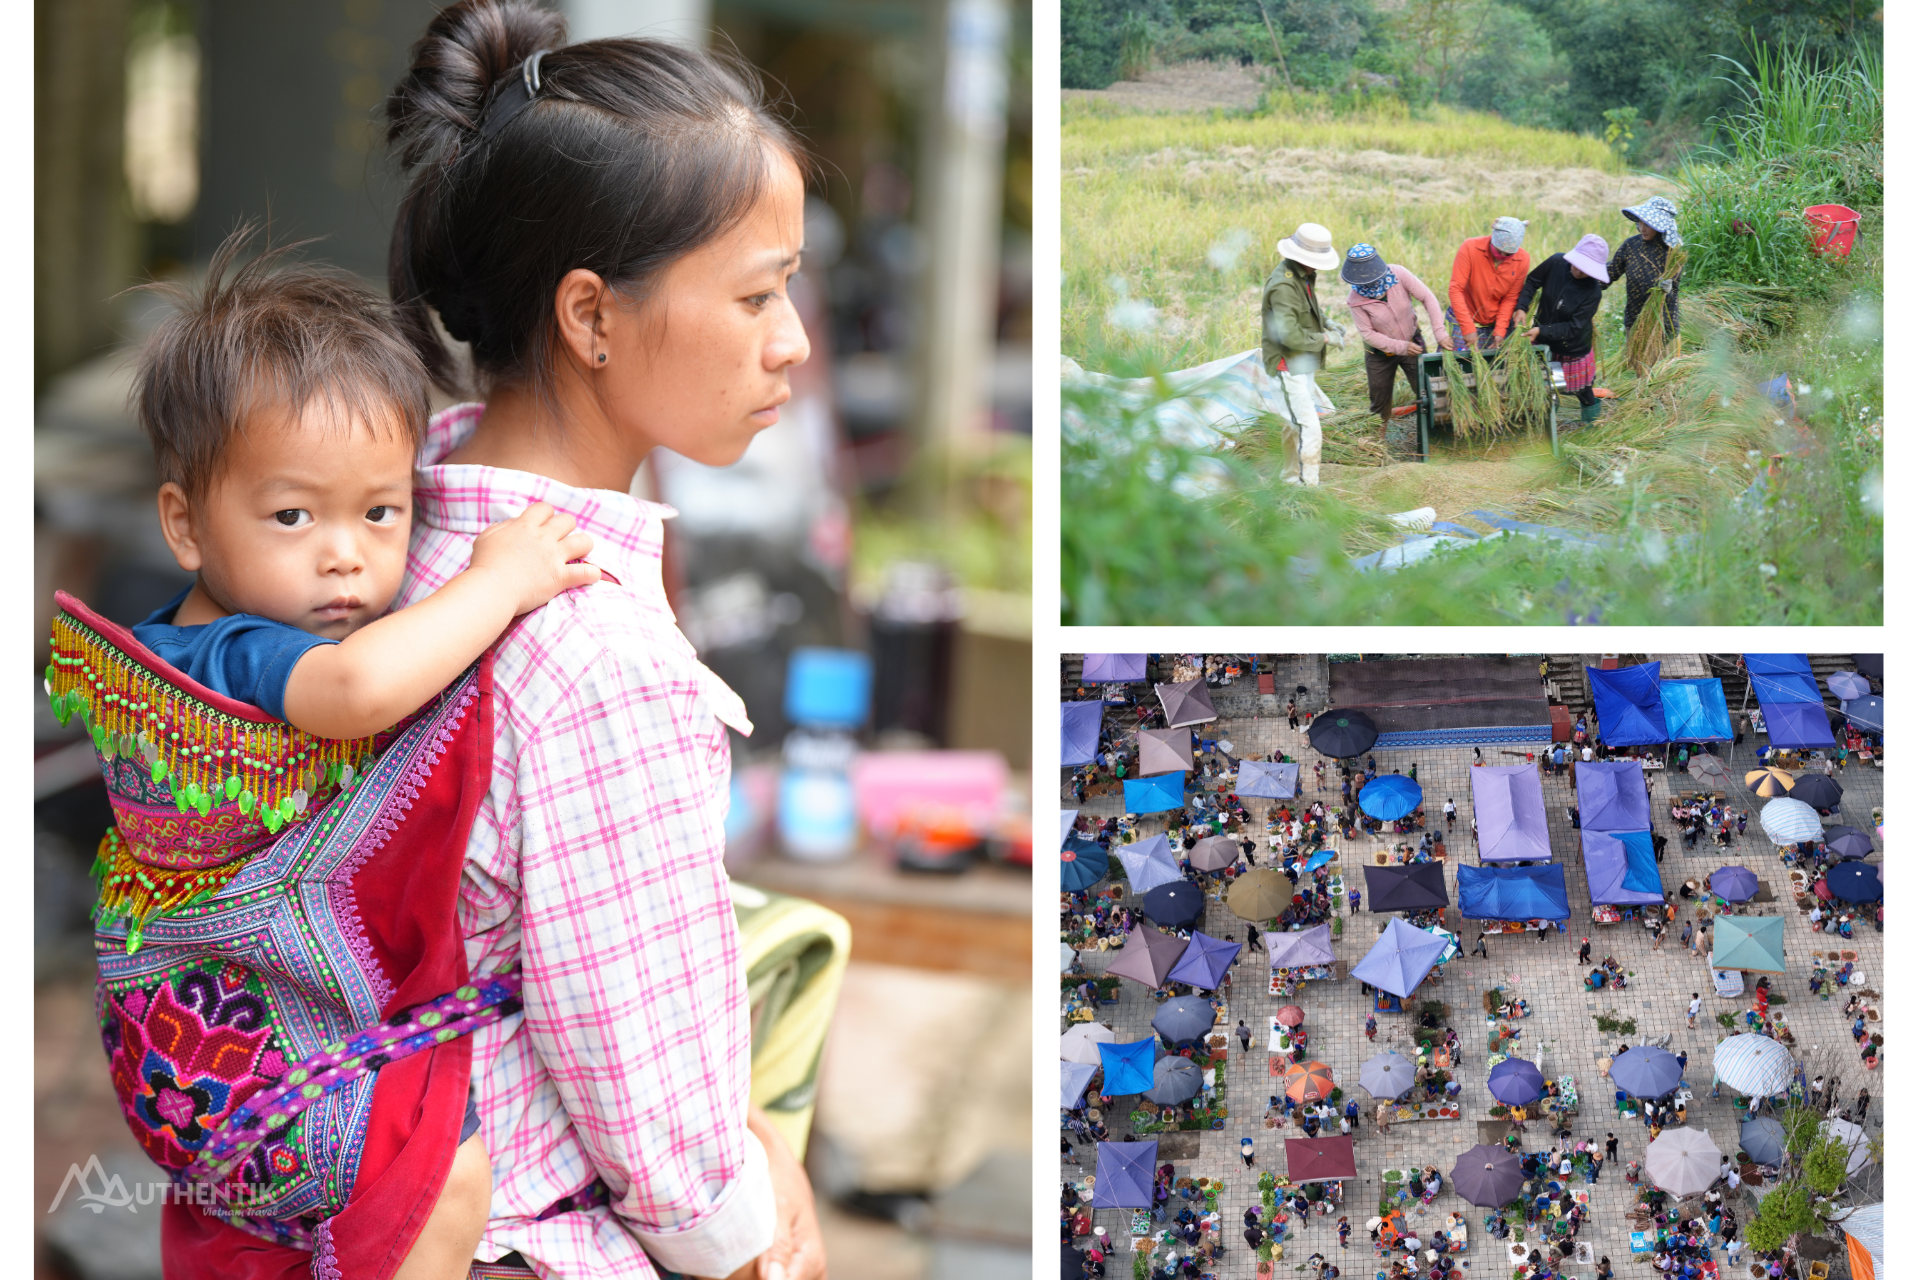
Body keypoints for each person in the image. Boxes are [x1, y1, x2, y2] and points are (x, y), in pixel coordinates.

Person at [338, 10, 833, 1276]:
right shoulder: (601, 658)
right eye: (756, 293)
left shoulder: (405, 519)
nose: (793, 341)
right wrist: (757, 1220)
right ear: (590, 315)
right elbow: (658, 1125)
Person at [80, 226, 626, 1276]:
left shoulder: (210, 625)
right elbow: (360, 689)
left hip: (187, 1066)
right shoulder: (237, 655)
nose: (346, 553)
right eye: (293, 514)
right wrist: (497, 579)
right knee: (453, 1171)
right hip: (239, 1079)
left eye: (383, 510)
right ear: (185, 526)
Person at [1341, 243, 1446, 458]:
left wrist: (1440, 333)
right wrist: (1400, 347)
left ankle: (1436, 438)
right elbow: (1368, 334)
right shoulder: (1355, 300)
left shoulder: (1398, 274)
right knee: (1380, 400)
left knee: (1427, 389)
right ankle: (1377, 446)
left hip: (1412, 343)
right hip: (1380, 354)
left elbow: (1428, 298)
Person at [1261, 222, 1345, 485]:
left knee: (1292, 424)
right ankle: (1309, 489)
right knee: (1309, 427)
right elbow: (1289, 335)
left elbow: (1307, 309)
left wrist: (1328, 322)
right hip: (1288, 366)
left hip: (1302, 362)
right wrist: (1326, 338)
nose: (1317, 265)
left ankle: (1288, 478)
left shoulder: (1302, 275)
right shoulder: (1283, 286)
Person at [1514, 233, 1611, 427]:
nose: (1580, 271)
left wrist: (1541, 330)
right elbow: (1533, 281)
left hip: (1572, 347)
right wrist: (1522, 307)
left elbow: (1574, 327)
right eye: (1579, 265)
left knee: (1582, 391)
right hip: (1544, 340)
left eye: (1586, 269)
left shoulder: (1593, 292)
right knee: (1546, 386)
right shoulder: (1556, 263)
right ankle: (1548, 425)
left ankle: (1591, 425)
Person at [1446, 216, 1531, 351]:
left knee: (1495, 367)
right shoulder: (1470, 248)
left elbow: (1510, 298)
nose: (1502, 255)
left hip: (1496, 321)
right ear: (1493, 239)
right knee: (1460, 366)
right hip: (1464, 316)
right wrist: (1467, 327)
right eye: (1498, 251)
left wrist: (1500, 330)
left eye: (1508, 254)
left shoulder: (1523, 259)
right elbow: (1456, 289)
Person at [1607, 197, 1683, 346]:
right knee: (1636, 366)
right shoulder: (1631, 245)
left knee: (1663, 368)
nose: (1642, 227)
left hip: (1663, 326)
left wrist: (1667, 290)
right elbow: (1609, 273)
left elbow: (1673, 290)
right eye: (1640, 221)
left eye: (1648, 223)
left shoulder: (1672, 252)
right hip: (1635, 321)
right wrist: (1584, 277)